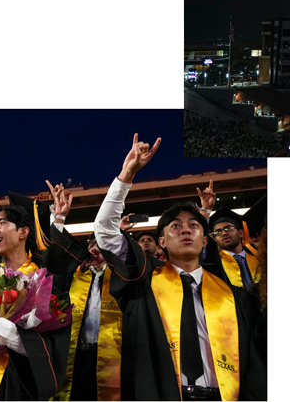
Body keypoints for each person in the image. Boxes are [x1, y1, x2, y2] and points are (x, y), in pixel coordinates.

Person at [94, 134, 266, 401]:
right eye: (175, 225)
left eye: (194, 225)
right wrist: (127, 175)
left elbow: (252, 364)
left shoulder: (233, 296)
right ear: (161, 241)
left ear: (205, 241)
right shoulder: (144, 280)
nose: (185, 228)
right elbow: (105, 232)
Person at [0, 145, 89, 400]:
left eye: (3, 223)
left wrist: (1, 327)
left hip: (16, 384)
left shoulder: (43, 280)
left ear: (23, 232)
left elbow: (48, 348)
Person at [55, 236, 123, 401]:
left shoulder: (120, 277)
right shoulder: (74, 276)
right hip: (77, 355)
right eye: (92, 245)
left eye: (101, 246)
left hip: (111, 355)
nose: (94, 250)